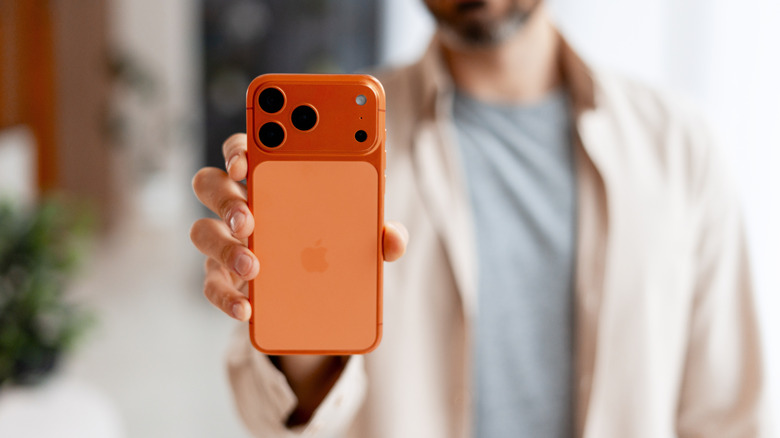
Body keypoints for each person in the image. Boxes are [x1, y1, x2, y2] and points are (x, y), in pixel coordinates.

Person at [190, 0, 770, 436]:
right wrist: (300, 334)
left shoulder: (677, 144)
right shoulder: (344, 145)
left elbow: (729, 412)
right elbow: (275, 419)